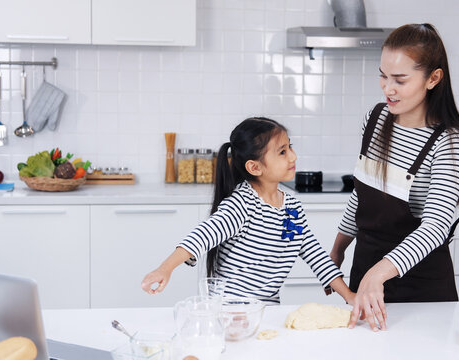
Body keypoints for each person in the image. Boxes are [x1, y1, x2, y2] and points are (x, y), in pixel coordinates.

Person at [329, 23, 459, 332]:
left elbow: (436, 226)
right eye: (383, 76)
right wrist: (338, 248)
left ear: (433, 78)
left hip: (422, 287)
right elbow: (362, 193)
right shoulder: (375, 119)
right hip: (367, 276)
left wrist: (378, 273)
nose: (387, 88)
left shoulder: (448, 142)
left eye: (400, 80)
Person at [141, 117, 356, 306]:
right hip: (228, 311)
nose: (293, 156)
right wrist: (164, 268)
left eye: (290, 147)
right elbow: (201, 237)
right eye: (282, 152)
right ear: (255, 167)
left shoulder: (292, 208)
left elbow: (314, 254)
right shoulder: (242, 205)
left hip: (264, 310)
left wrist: (348, 295)